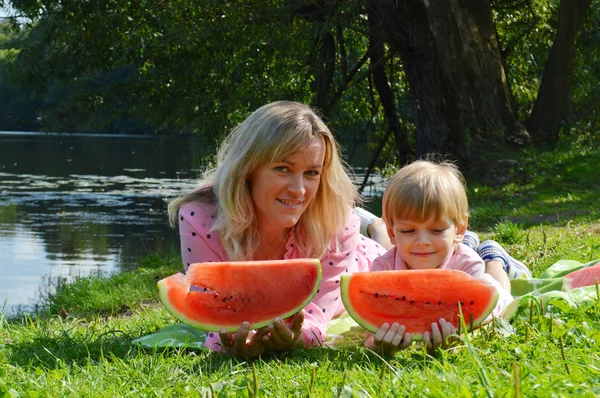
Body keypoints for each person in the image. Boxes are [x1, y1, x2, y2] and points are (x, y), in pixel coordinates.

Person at [168, 100, 388, 358]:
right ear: (249, 168)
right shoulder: (199, 218)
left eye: (311, 173)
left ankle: (375, 226)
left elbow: (318, 316)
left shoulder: (338, 224)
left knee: (385, 249)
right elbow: (211, 308)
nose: (298, 190)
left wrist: (298, 336)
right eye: (283, 169)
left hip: (358, 258)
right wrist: (228, 340)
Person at [365, 160, 514, 356]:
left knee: (499, 287)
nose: (422, 241)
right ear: (391, 233)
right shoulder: (383, 268)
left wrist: (459, 337)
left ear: (459, 228)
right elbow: (369, 334)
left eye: (436, 230)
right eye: (408, 230)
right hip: (449, 248)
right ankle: (464, 241)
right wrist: (380, 346)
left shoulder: (468, 265)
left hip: (474, 271)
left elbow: (483, 317)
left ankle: (494, 256)